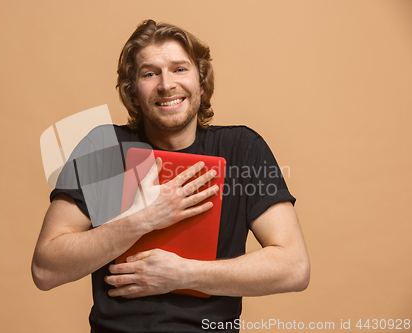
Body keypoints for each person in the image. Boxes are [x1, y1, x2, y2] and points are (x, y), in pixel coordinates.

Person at [32, 19, 310, 333]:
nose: (166, 84)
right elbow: (45, 269)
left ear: (202, 85)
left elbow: (294, 267)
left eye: (180, 69)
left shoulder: (242, 149)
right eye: (150, 73)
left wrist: (184, 274)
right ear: (133, 92)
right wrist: (142, 219)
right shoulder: (105, 149)